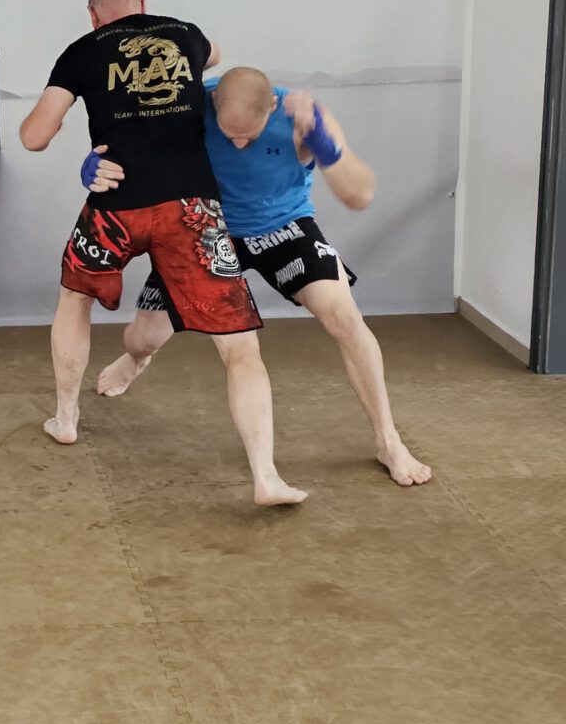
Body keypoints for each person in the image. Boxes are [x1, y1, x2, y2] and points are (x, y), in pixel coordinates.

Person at [18, 0, 303, 507]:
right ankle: (266, 477)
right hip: (191, 210)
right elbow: (218, 54)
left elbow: (34, 137)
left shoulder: (80, 51)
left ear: (93, 16)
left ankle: (65, 418)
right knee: (240, 347)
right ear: (143, 4)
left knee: (74, 300)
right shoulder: (187, 34)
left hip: (117, 205)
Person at [86, 67, 433, 486]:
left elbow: (360, 195)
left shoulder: (301, 116)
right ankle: (136, 360)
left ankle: (388, 440)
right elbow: (135, 153)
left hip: (283, 227)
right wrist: (98, 167)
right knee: (140, 339)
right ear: (213, 103)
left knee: (345, 317)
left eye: (248, 136)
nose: (237, 143)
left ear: (271, 107)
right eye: (228, 134)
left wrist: (323, 145)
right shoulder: (190, 108)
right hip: (208, 230)